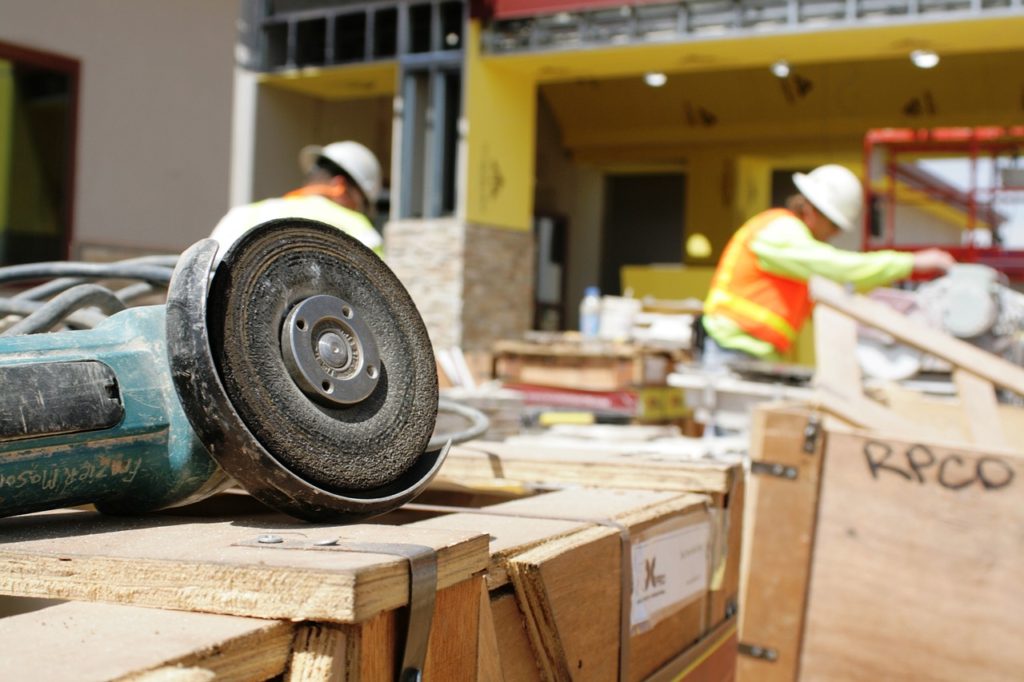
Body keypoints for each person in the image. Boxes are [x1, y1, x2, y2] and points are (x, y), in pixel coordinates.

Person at [700, 164, 955, 368]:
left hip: (754, 351)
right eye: (833, 225)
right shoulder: (779, 231)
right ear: (811, 210)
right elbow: (838, 267)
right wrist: (911, 263)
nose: (834, 234)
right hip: (733, 348)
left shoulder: (795, 245)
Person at [211, 140, 384, 256]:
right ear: (341, 185)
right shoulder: (357, 228)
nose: (356, 210)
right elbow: (382, 300)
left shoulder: (242, 214)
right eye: (360, 204)